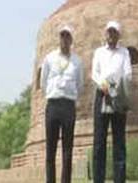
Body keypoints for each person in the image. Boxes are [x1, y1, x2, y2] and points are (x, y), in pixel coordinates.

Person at [40, 25, 84, 183]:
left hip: (68, 105)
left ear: (71, 39)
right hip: (52, 104)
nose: (65, 39)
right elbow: (43, 82)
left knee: (67, 149)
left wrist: (68, 96)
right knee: (50, 150)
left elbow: (80, 84)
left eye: (67, 36)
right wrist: (53, 94)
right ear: (59, 38)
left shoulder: (77, 61)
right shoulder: (50, 58)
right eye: (62, 36)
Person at [91, 21, 132, 183]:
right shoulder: (99, 52)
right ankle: (98, 180)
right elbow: (94, 72)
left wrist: (117, 85)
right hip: (102, 94)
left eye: (114, 32)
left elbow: (127, 73)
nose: (111, 35)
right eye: (109, 32)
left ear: (118, 35)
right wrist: (104, 84)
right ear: (105, 33)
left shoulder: (124, 53)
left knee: (119, 141)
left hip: (118, 95)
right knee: (99, 141)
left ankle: (119, 180)